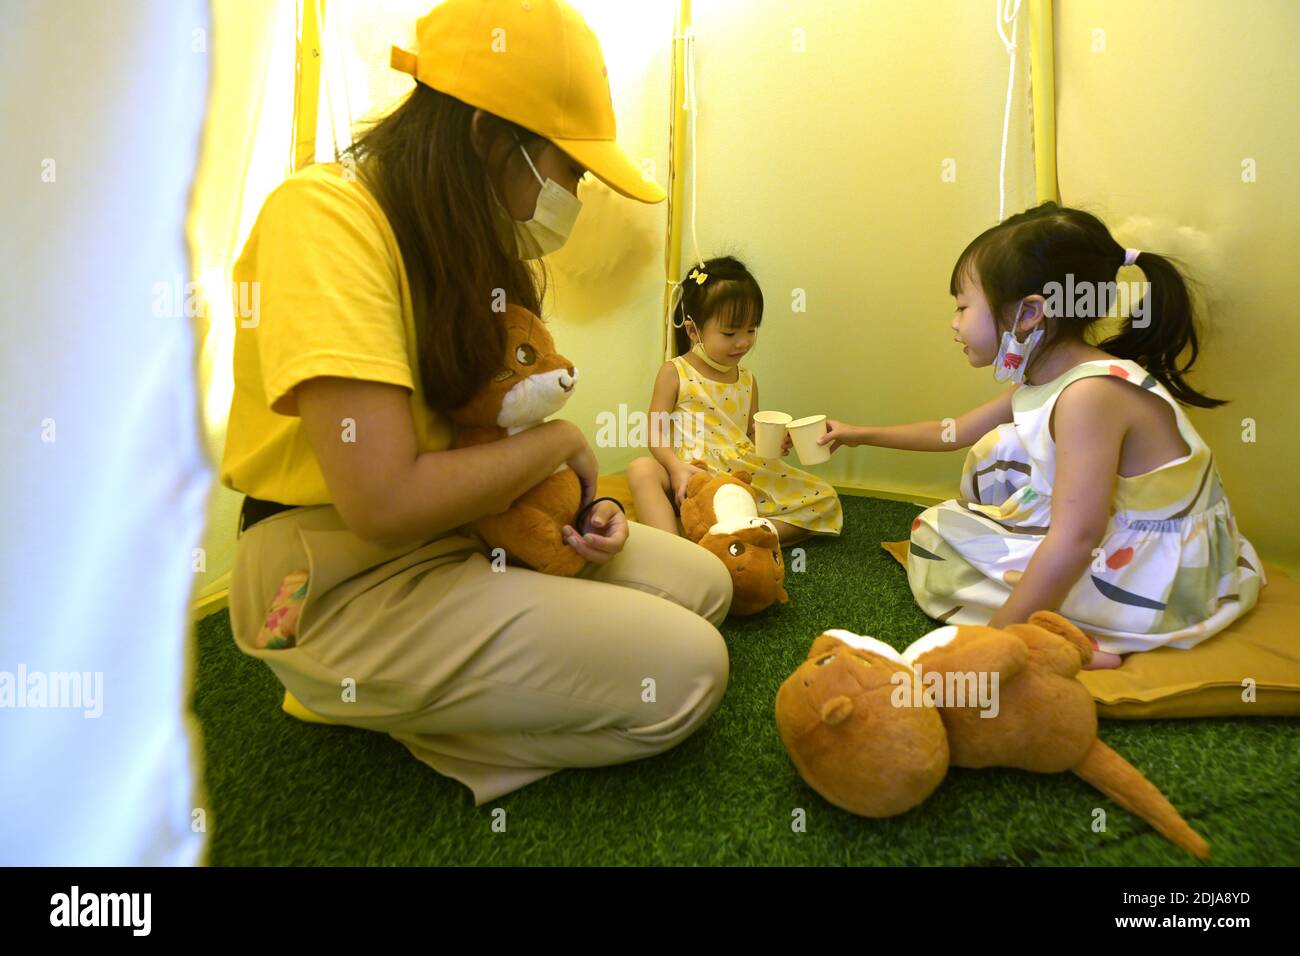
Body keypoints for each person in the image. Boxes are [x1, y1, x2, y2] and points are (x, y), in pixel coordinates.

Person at [219, 0, 731, 806]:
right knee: (689, 673)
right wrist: (558, 444)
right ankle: (349, 690)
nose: (577, 200)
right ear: (491, 139)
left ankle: (425, 688)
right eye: (572, 173)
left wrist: (566, 520)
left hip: (455, 542)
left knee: (708, 587)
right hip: (317, 582)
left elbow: (472, 443)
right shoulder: (324, 219)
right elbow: (384, 499)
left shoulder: (456, 248)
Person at [820, 202, 1263, 669]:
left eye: (963, 306)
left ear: (1030, 312)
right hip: (1125, 537)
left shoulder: (1088, 395)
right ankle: (1069, 618)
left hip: (1159, 579)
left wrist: (995, 642)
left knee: (937, 546)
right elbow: (954, 432)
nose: (954, 322)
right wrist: (858, 434)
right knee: (968, 491)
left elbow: (1077, 537)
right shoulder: (1051, 375)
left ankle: (1076, 639)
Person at [627, 255, 843, 546]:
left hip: (737, 478)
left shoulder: (747, 379)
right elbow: (655, 433)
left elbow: (751, 435)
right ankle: (673, 546)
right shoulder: (674, 372)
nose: (743, 342)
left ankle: (736, 536)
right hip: (688, 477)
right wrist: (675, 467)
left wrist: (774, 444)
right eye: (730, 333)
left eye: (751, 330)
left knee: (826, 498)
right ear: (693, 331)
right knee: (641, 469)